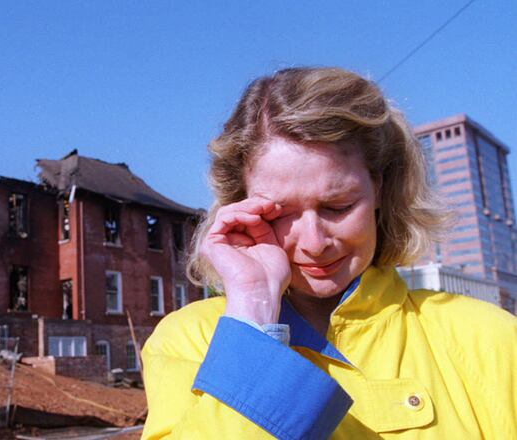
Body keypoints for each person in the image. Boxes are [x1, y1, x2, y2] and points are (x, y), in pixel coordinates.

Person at [141, 67, 517, 439]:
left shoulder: (489, 338)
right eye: (280, 213)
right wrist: (253, 318)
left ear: (379, 188)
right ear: (240, 205)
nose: (314, 242)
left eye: (338, 207)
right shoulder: (189, 340)